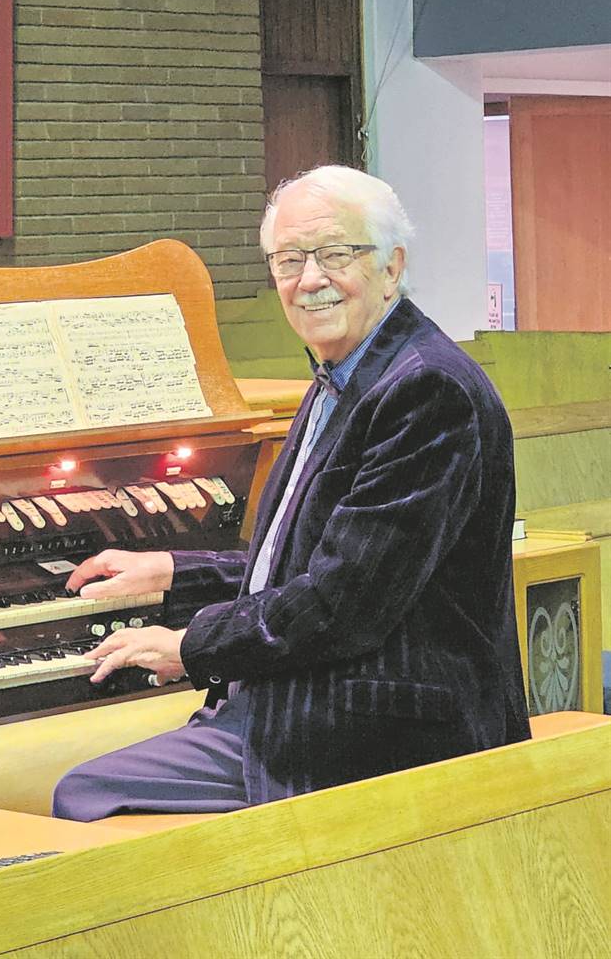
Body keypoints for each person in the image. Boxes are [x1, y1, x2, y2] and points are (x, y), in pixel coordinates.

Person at [52, 164, 530, 821]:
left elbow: (344, 604)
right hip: (314, 697)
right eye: (288, 260)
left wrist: (190, 646)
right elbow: (308, 561)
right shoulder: (348, 372)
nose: (309, 279)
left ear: (392, 267)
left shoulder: (425, 390)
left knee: (86, 795)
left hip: (380, 725)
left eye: (335, 254)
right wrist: (174, 571)